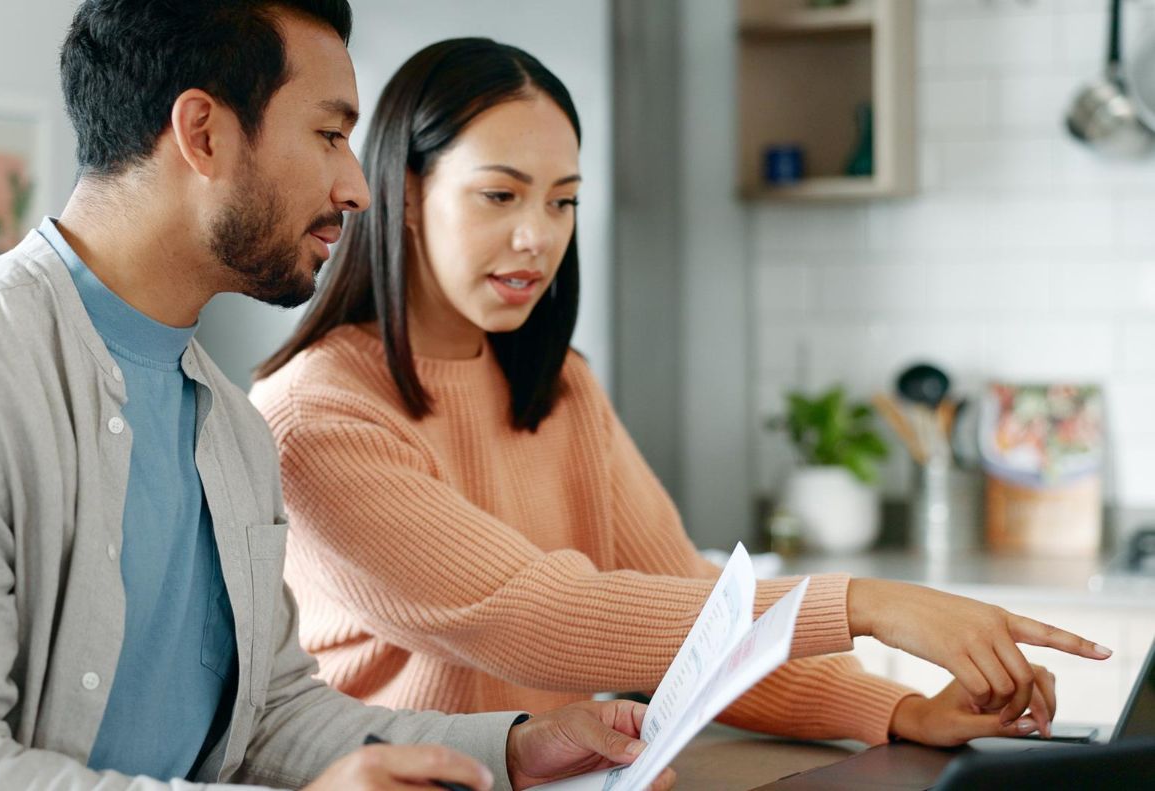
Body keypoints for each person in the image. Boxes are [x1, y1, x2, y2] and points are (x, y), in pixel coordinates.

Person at [0, 4, 679, 789]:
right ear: (203, 133)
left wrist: (516, 749)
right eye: (328, 133)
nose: (355, 185)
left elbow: (268, 718)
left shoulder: (229, 425)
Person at [251, 37, 1111, 749]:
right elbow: (539, 619)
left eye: (563, 202)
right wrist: (864, 604)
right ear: (404, 194)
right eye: (499, 195)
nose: (536, 236)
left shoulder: (558, 387)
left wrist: (894, 710)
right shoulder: (318, 416)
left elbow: (690, 611)